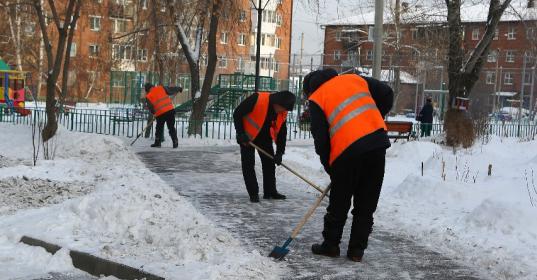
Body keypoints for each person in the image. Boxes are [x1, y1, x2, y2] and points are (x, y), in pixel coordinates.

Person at [302, 68, 393, 262]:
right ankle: (356, 251)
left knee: (339, 203)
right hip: (376, 145)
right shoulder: (354, 79)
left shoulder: (317, 97)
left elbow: (321, 139)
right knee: (366, 203)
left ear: (310, 89)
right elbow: (386, 93)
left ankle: (331, 246)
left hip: (346, 152)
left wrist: (330, 166)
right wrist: (373, 118)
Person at [233, 91, 296, 203]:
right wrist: (240, 133)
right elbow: (237, 113)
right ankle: (253, 193)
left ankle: (270, 192)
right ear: (277, 103)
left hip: (264, 138)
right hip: (247, 137)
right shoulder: (257, 99)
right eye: (282, 108)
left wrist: (280, 153)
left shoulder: (282, 112)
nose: (283, 111)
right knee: (248, 164)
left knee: (269, 164)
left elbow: (282, 132)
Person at [144, 83, 179, 148]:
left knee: (159, 128)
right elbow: (170, 90)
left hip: (160, 113)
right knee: (171, 127)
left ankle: (157, 142)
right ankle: (175, 141)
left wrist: (154, 113)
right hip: (170, 110)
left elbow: (150, 107)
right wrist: (178, 89)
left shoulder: (148, 96)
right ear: (153, 86)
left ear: (147, 90)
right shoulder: (161, 88)